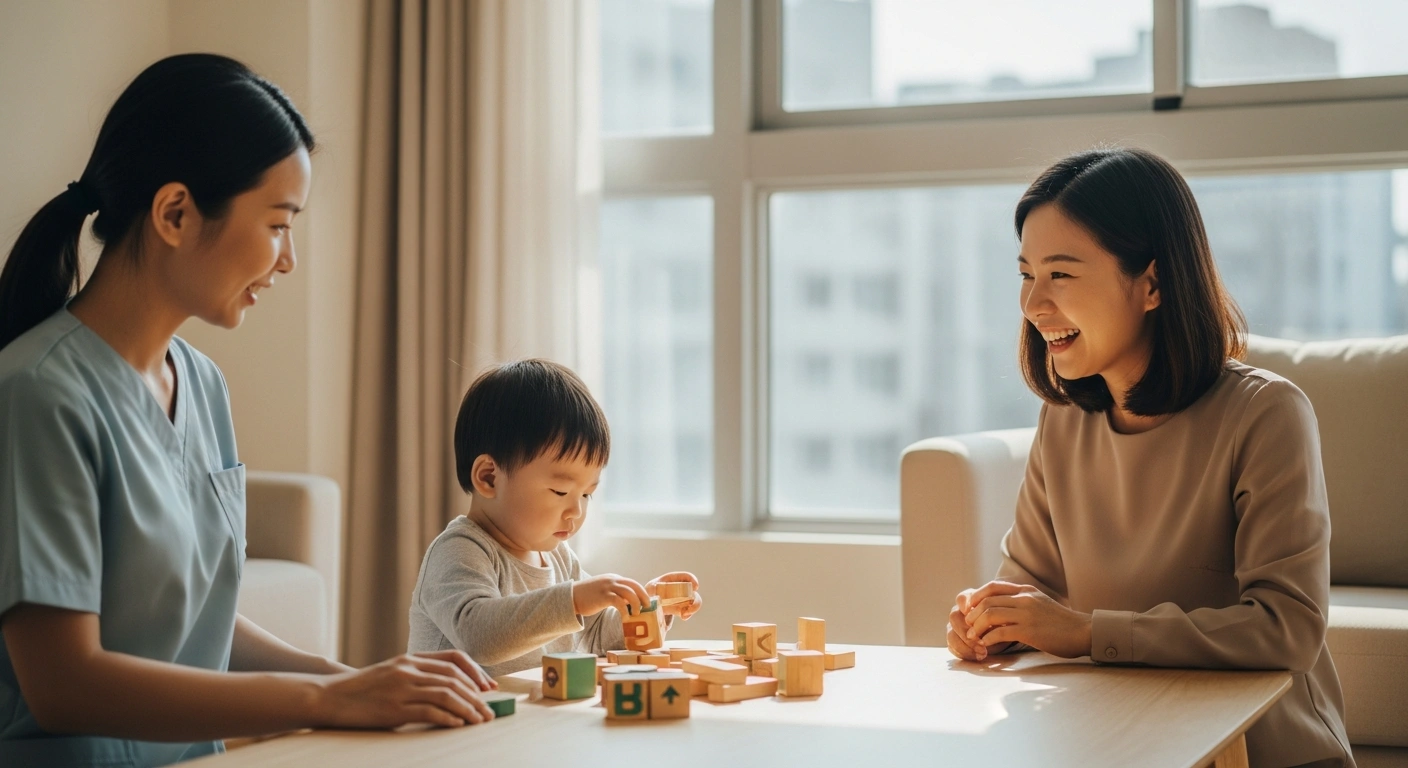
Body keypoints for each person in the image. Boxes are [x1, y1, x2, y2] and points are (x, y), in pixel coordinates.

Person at [0, 54, 496, 768]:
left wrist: (359, 681)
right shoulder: (38, 394)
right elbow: (64, 685)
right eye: (277, 224)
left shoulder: (202, 386)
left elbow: (195, 625)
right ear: (175, 213)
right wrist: (324, 700)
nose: (287, 259)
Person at [947, 148, 1354, 768]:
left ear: (1153, 284)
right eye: (1027, 275)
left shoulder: (1266, 413)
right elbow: (1030, 587)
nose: (1033, 305)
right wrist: (992, 624)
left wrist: (1086, 632)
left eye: (1061, 275)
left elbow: (1285, 628)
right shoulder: (1064, 420)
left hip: (1264, 751)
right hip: (1119, 741)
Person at [408, 359, 703, 676]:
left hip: (527, 709)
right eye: (561, 491)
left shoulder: (560, 559)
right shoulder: (458, 551)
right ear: (489, 478)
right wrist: (574, 601)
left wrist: (646, 608)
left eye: (586, 494)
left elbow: (598, 637)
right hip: (460, 710)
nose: (577, 511)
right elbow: (480, 638)